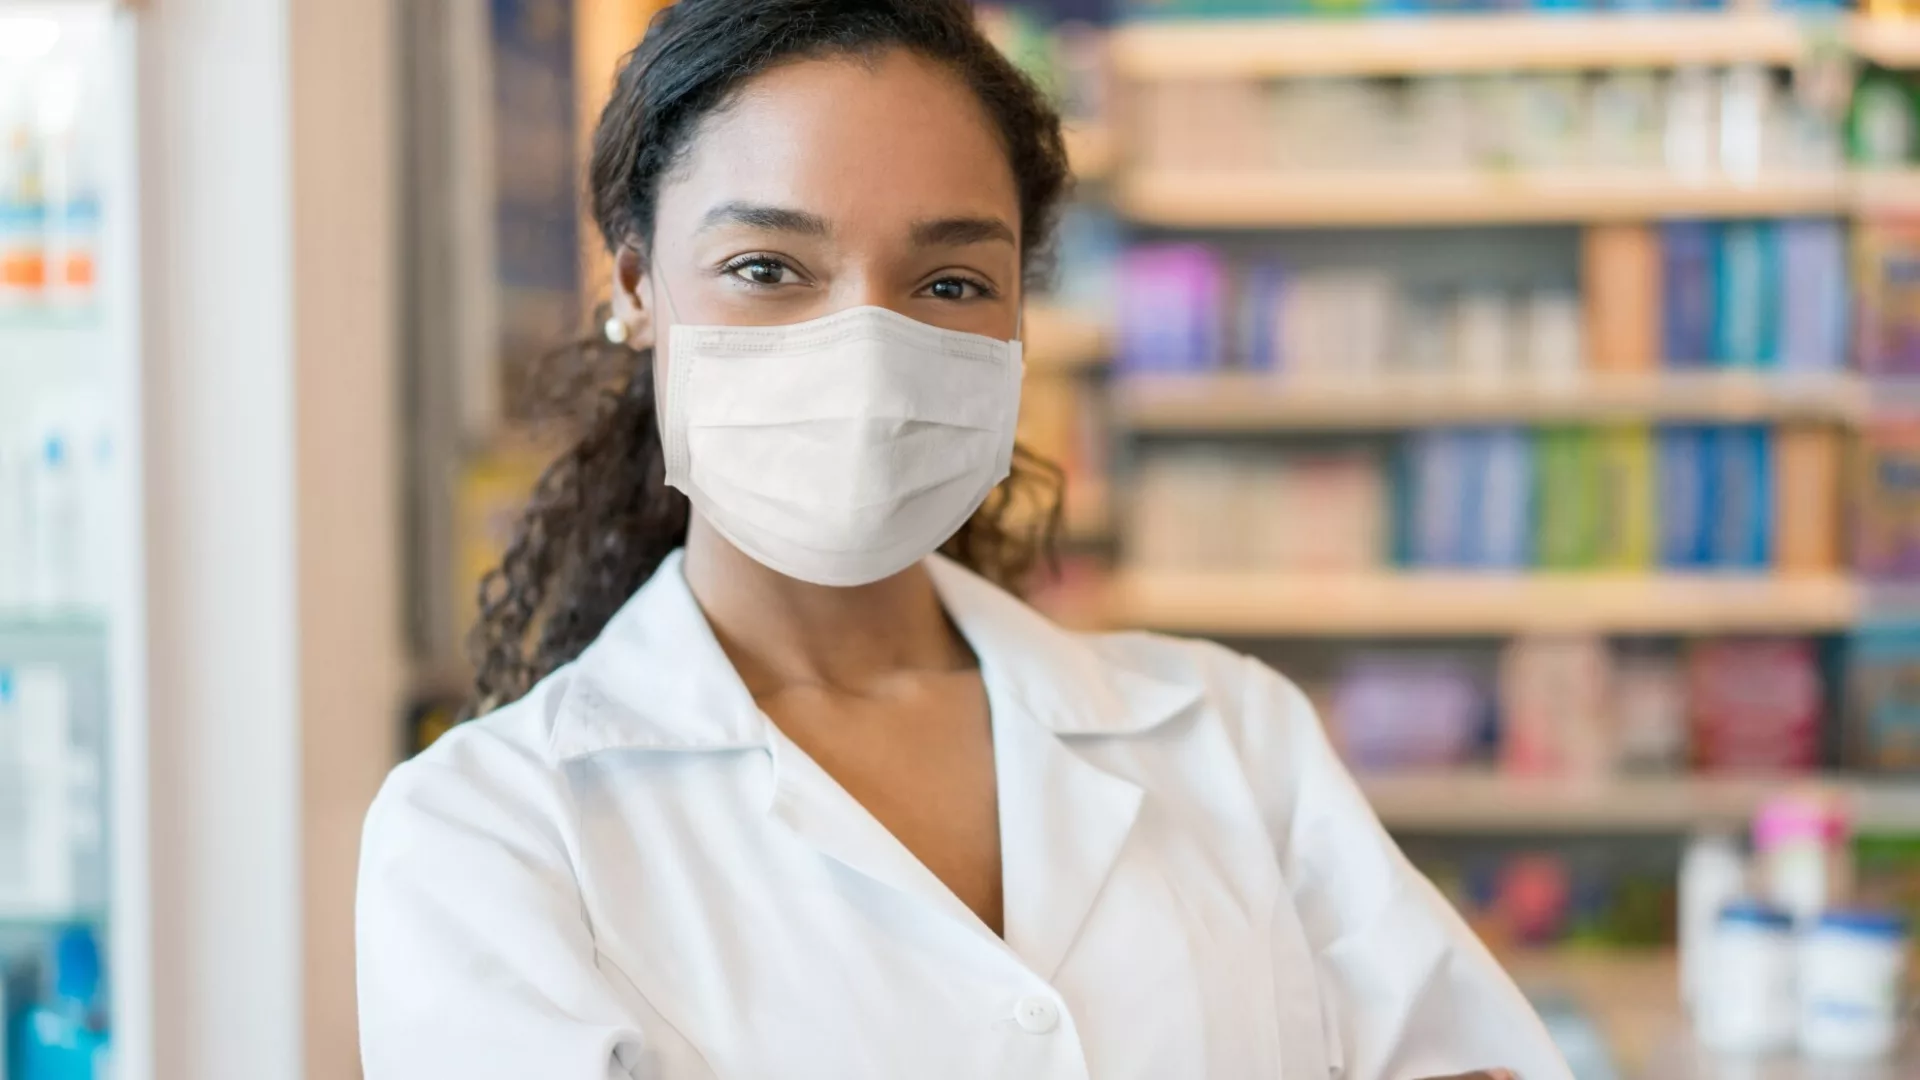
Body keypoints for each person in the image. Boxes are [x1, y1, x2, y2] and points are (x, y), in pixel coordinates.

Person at [355, 2, 1575, 1078]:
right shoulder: (492, 832)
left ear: (1017, 321)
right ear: (637, 288)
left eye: (948, 284)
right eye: (769, 266)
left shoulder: (1232, 737)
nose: (870, 353)